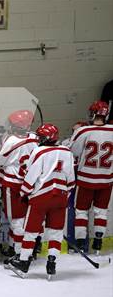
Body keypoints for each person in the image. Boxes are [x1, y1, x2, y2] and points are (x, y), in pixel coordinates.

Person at [9, 124, 75, 279]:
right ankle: (52, 264)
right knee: (56, 232)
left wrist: (24, 193)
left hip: (40, 197)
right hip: (60, 196)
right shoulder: (67, 152)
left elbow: (31, 176)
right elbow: (71, 180)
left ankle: (24, 263)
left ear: (44, 138)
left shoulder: (39, 151)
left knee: (31, 232)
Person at [0, 110, 39, 265]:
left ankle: (19, 254)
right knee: (24, 218)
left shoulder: (11, 141)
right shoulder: (34, 137)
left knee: (16, 220)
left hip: (13, 185)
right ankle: (16, 248)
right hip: (30, 183)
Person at [69, 100, 113, 254]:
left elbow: (73, 151)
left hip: (86, 179)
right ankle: (99, 241)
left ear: (93, 113)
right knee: (101, 211)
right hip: (106, 179)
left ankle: (81, 243)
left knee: (81, 211)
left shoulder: (84, 131)